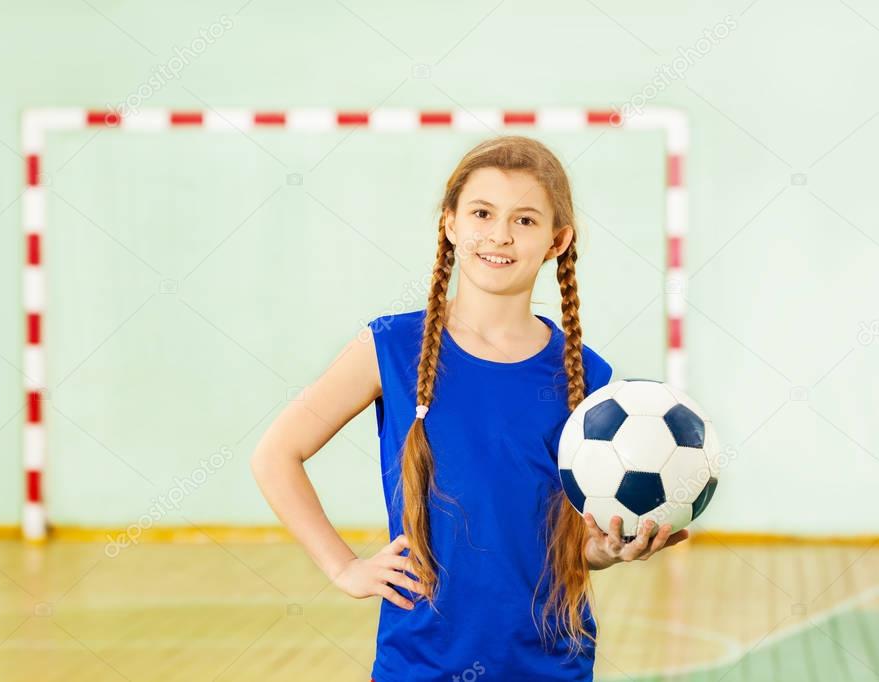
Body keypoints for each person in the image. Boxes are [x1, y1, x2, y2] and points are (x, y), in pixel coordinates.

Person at [251, 135, 690, 681]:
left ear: (558, 240)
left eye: (525, 220)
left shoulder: (588, 376)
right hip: (419, 664)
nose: (500, 235)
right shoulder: (390, 347)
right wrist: (344, 568)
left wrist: (605, 551)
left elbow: (570, 544)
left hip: (551, 665)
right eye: (482, 212)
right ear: (451, 223)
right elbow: (276, 455)